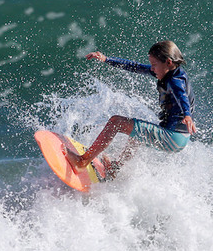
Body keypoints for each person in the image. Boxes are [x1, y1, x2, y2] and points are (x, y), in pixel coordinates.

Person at [64, 40, 196, 173]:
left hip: (173, 137)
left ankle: (82, 161)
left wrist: (187, 115)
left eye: (154, 65)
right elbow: (134, 66)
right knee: (137, 133)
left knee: (115, 122)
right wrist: (106, 59)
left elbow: (181, 96)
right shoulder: (169, 72)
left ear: (168, 62)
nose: (151, 68)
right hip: (179, 139)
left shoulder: (175, 81)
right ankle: (115, 168)